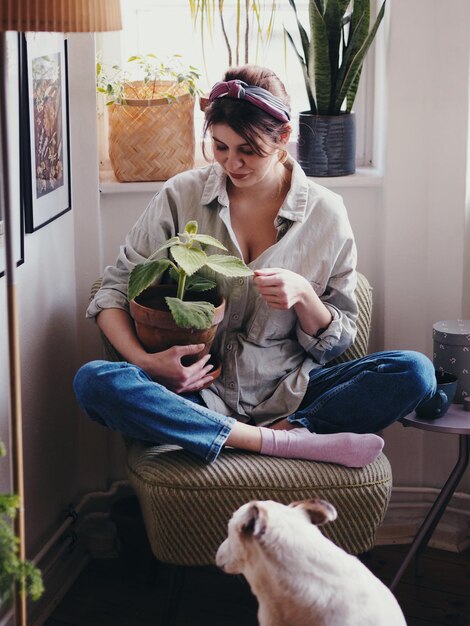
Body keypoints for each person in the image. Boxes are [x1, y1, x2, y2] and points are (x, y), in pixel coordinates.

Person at [74, 65, 436, 467]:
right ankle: (281, 441)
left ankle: (236, 434)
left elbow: (339, 341)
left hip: (292, 391)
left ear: (282, 138)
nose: (233, 163)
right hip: (195, 391)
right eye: (220, 146)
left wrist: (302, 296)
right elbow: (113, 292)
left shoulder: (326, 213)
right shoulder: (181, 195)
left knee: (415, 372)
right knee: (95, 381)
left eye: (248, 150)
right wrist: (147, 363)